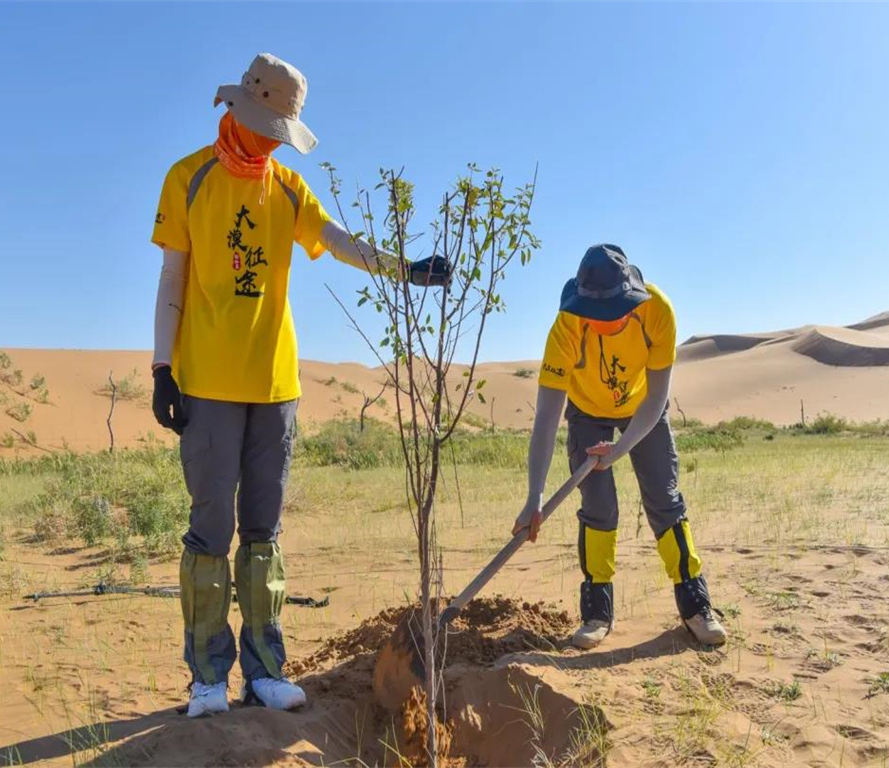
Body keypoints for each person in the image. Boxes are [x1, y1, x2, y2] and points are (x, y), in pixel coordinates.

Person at [150, 53, 450, 717]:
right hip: (205, 383)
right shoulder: (188, 178)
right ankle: (207, 679)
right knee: (210, 529)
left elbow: (339, 242)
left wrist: (407, 270)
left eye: (277, 130)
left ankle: (263, 670)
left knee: (263, 530)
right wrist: (161, 368)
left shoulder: (286, 187)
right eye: (263, 125)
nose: (267, 140)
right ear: (237, 110)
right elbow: (173, 278)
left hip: (275, 386)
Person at [513, 244, 727, 650]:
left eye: (615, 311)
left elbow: (658, 396)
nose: (607, 321)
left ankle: (696, 605)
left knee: (664, 499)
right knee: (598, 506)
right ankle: (596, 612)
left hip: (643, 408)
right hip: (586, 411)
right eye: (598, 314)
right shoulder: (566, 327)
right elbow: (545, 417)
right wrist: (535, 494)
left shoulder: (658, 312)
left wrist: (619, 449)